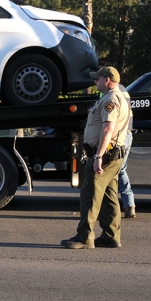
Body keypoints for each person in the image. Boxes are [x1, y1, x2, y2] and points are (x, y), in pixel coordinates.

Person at [61, 66, 130, 249]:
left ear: (106, 80)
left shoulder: (111, 99)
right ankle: (111, 236)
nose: (95, 82)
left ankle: (84, 237)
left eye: (97, 79)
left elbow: (108, 129)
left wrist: (98, 155)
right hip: (113, 154)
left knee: (90, 194)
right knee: (108, 196)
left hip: (105, 154)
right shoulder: (116, 97)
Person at [117, 83, 136, 219]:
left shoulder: (113, 93)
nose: (95, 82)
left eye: (97, 79)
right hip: (127, 133)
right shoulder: (122, 89)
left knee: (116, 169)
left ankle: (128, 203)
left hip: (120, 135)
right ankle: (129, 204)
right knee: (120, 168)